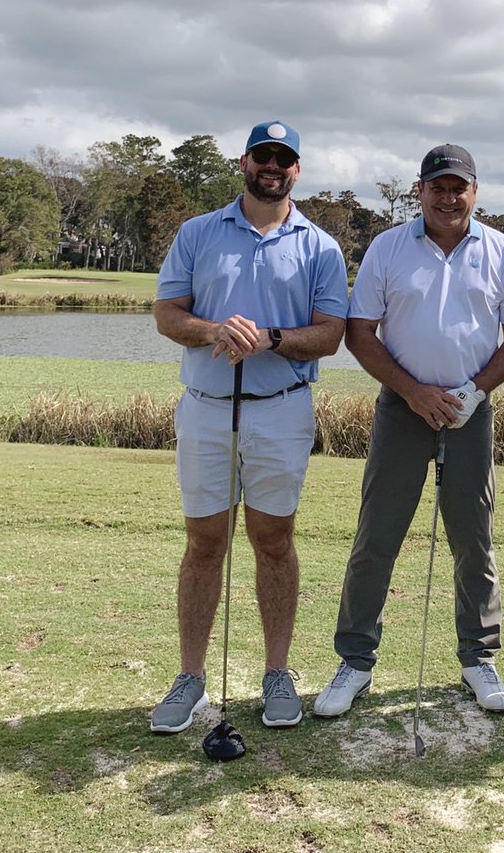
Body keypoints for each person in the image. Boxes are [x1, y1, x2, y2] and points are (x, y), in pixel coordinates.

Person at [314, 144, 504, 718]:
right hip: (401, 407)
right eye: (437, 187)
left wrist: (474, 392)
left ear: (475, 192)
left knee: (474, 538)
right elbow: (361, 332)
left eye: (458, 187)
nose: (448, 197)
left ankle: (478, 658)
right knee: (376, 536)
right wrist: (413, 390)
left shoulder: (501, 251)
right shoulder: (389, 247)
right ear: (420, 191)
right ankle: (356, 662)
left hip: (470, 410)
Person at [150, 121, 348, 734]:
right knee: (205, 542)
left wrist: (270, 338)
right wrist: (214, 331)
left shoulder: (320, 246)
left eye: (284, 160)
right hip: (207, 405)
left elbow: (331, 334)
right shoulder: (198, 233)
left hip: (282, 406)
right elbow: (166, 313)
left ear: (297, 169)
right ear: (244, 161)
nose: (273, 167)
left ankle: (277, 674)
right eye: (263, 156)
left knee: (273, 542)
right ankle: (189, 677)